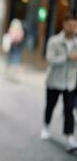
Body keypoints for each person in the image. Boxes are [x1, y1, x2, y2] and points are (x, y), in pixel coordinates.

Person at [40, 13, 77, 152]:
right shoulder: (54, 41)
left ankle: (70, 138)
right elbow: (50, 59)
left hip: (70, 82)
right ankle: (46, 126)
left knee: (69, 110)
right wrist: (67, 57)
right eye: (70, 25)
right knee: (50, 105)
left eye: (75, 25)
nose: (73, 28)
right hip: (54, 81)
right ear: (64, 25)